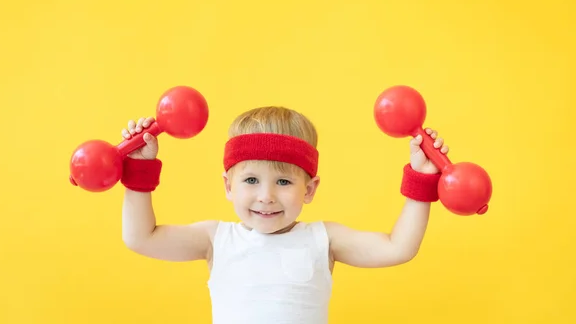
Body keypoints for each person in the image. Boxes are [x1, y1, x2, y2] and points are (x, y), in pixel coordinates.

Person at [120, 106, 448, 324]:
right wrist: (139, 169)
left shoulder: (324, 239)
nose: (266, 196)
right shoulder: (215, 238)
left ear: (309, 189)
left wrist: (422, 178)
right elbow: (140, 237)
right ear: (228, 185)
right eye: (251, 180)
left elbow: (398, 248)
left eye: (283, 181)